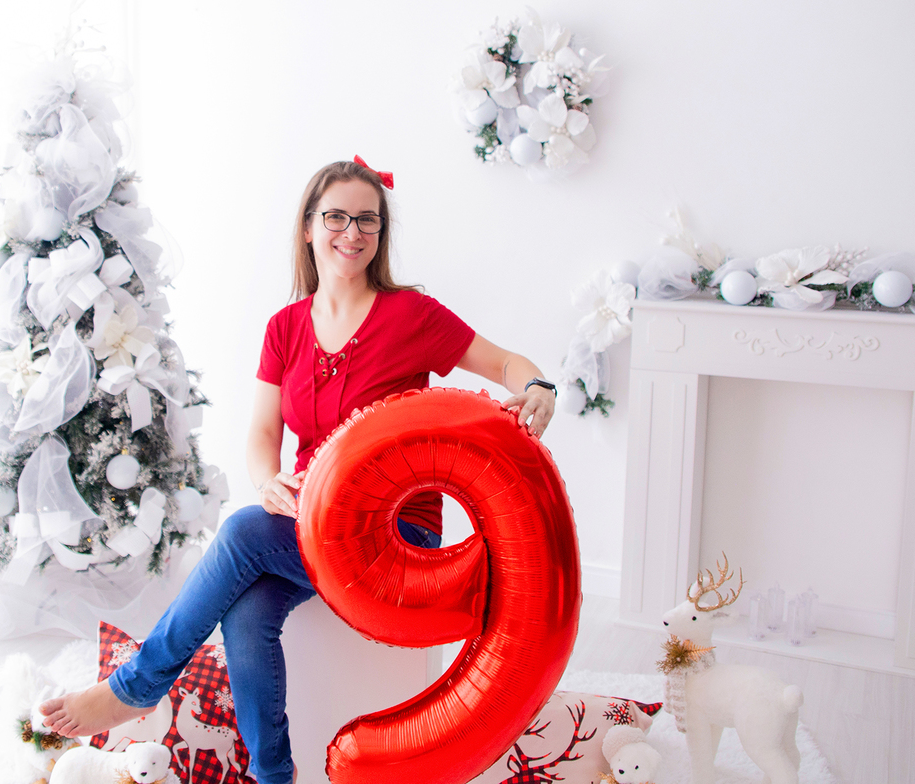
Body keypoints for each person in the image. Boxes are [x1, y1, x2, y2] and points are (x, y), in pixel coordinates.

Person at [41, 157, 558, 784]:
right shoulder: (284, 327)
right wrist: (267, 481)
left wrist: (536, 384)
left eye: (367, 219)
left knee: (238, 535)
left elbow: (504, 363)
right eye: (336, 216)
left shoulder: (413, 316)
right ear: (309, 228)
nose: (352, 231)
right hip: (309, 530)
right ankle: (274, 776)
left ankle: (137, 685)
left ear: (380, 234)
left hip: (398, 543)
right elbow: (263, 435)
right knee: (249, 613)